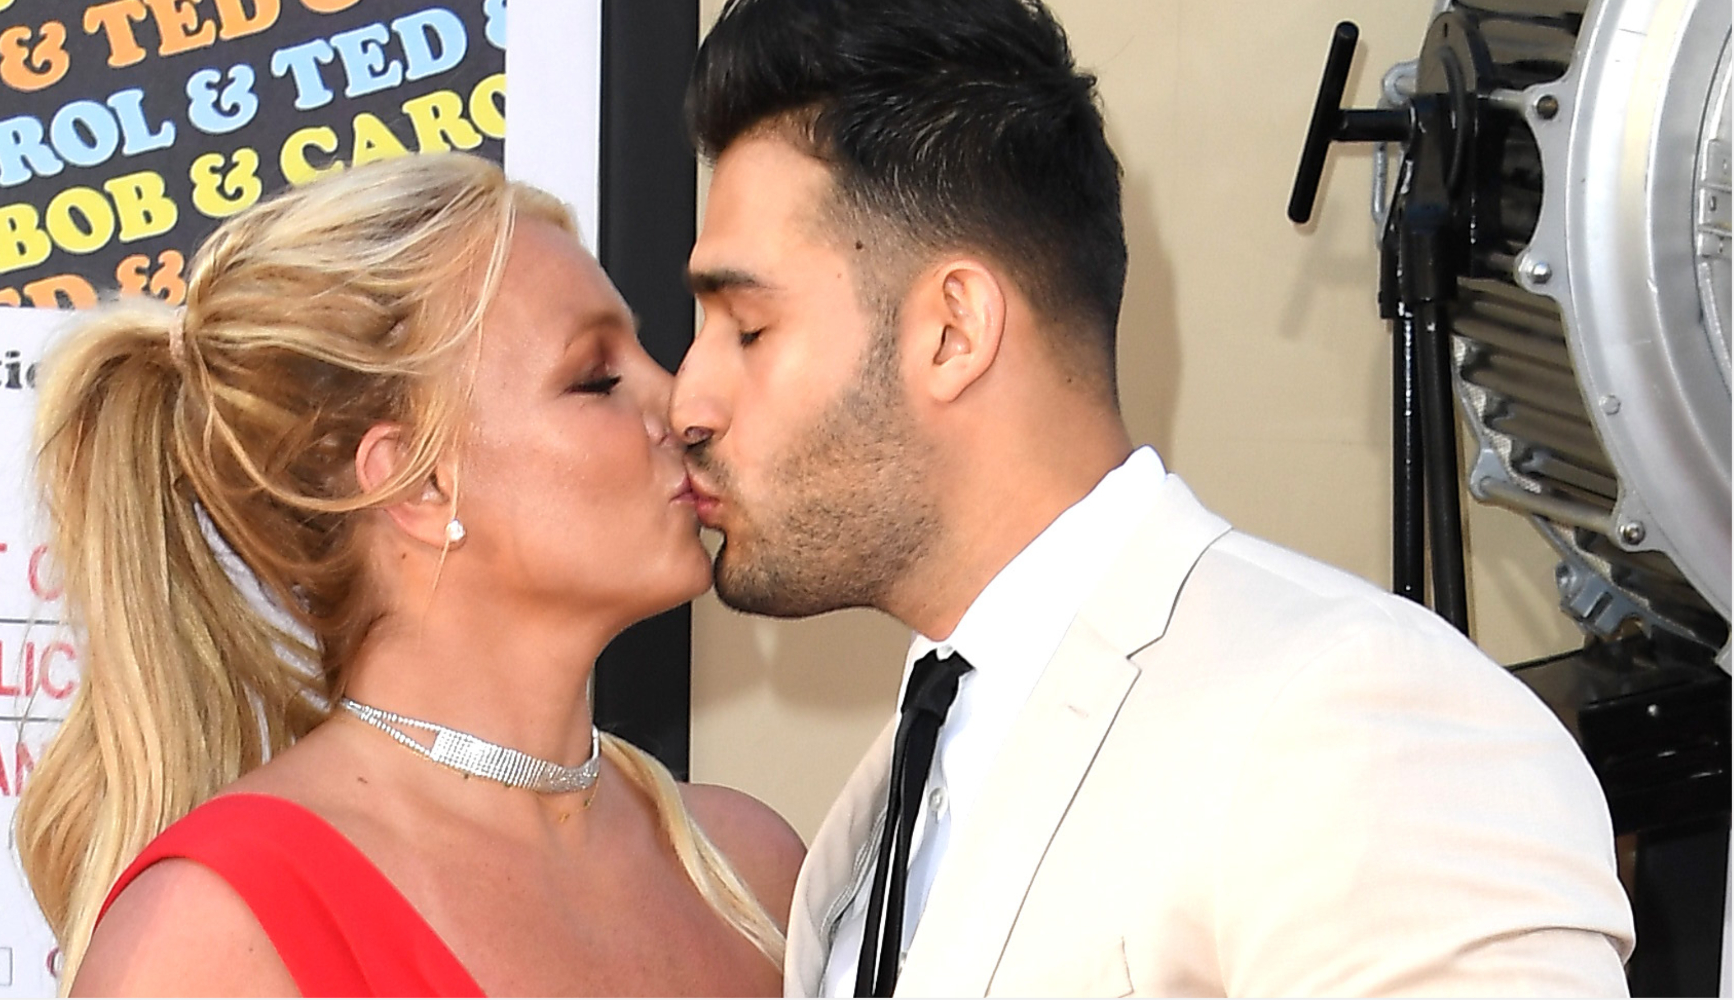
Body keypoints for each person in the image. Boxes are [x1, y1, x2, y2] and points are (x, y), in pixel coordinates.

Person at [672, 0, 1635, 995]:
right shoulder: (903, 778)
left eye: (745, 325)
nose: (686, 400)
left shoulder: (1354, 726)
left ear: (951, 331)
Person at [14, 152, 803, 997]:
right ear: (415, 483)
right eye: (596, 379)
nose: (680, 403)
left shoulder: (755, 872)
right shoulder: (213, 937)